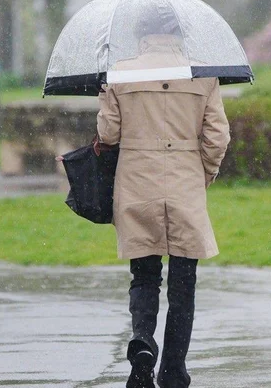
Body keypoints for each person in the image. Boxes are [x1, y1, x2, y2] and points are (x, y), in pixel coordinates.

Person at [96, 24, 231, 388]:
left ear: (140, 34)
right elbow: (218, 136)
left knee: (144, 274)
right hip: (186, 180)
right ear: (181, 34)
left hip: (137, 181)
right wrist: (205, 172)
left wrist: (105, 96)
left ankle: (143, 342)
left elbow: (108, 135)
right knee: (184, 282)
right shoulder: (202, 74)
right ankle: (174, 370)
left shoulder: (121, 72)